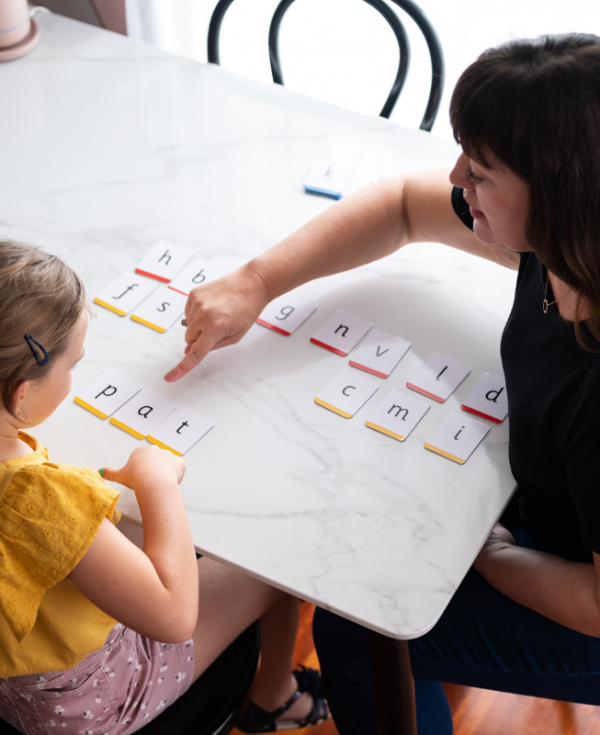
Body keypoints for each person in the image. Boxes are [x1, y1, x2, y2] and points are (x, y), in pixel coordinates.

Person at [164, 33, 600, 734]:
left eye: (482, 171)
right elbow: (401, 204)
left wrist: (494, 556)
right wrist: (256, 281)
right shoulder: (559, 241)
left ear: (557, 195)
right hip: (555, 518)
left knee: (359, 633)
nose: (457, 177)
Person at [0, 240, 329, 735]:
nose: (74, 377)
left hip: (17, 681)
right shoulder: (39, 497)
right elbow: (173, 617)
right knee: (269, 558)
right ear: (22, 392)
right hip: (88, 702)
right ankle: (273, 699)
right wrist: (157, 482)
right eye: (71, 367)